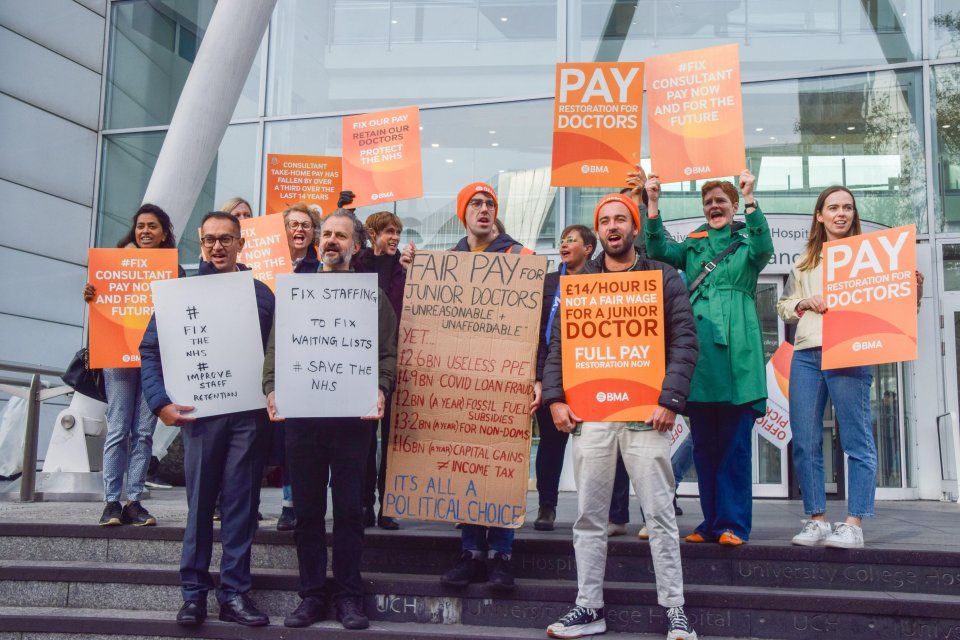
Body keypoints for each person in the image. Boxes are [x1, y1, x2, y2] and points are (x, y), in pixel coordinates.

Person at [541, 193, 699, 640]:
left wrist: (670, 400)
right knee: (589, 517)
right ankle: (588, 607)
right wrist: (556, 398)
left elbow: (686, 342)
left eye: (620, 220)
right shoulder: (578, 283)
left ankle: (675, 610)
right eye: (604, 221)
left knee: (660, 516)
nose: (612, 227)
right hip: (592, 418)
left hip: (646, 417)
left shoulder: (663, 277)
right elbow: (560, 348)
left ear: (633, 229)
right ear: (599, 233)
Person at [263, 210, 397, 630]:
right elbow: (275, 349)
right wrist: (271, 388)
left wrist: (381, 388)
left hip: (353, 422)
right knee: (305, 511)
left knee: (350, 513)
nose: (332, 241)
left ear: (357, 246)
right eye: (328, 235)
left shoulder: (372, 298)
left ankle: (349, 597)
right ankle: (311, 595)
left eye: (341, 236)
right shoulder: (296, 293)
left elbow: (388, 355)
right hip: (303, 419)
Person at [140, 211, 275, 627]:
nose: (218, 246)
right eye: (211, 240)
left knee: (240, 506)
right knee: (199, 507)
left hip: (248, 418)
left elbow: (279, 352)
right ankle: (193, 594)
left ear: (241, 243)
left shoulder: (262, 295)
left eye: (227, 239)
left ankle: (234, 594)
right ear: (201, 243)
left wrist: (275, 393)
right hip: (200, 417)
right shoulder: (180, 295)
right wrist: (160, 401)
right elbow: (150, 350)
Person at [402, 182, 537, 589]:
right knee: (465, 465)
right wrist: (412, 274)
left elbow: (537, 328)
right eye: (476, 203)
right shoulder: (446, 262)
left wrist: (539, 378)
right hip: (462, 381)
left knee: (501, 467)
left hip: (506, 381)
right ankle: (470, 551)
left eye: (490, 203)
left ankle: (501, 555)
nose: (484, 209)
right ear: (463, 213)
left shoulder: (522, 257)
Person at [776, 186, 923, 549]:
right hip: (807, 353)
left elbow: (901, 311)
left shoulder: (871, 257)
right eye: (833, 207)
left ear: (852, 215)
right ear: (819, 215)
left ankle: (854, 522)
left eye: (847, 208)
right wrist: (802, 304)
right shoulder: (803, 262)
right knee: (806, 441)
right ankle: (817, 520)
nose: (841, 213)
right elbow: (783, 306)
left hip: (850, 352)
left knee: (856, 440)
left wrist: (913, 292)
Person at [644, 169, 772, 547]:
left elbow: (764, 249)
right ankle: (710, 523)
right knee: (704, 448)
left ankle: (733, 525)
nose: (714, 206)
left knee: (734, 448)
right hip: (702, 362)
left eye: (722, 201)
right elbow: (658, 252)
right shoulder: (695, 243)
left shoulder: (749, 239)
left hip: (738, 358)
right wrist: (652, 204)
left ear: (733, 206)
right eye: (709, 202)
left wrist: (752, 200)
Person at [83, 204, 180, 528]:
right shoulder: (113, 266)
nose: (145, 231)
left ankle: (134, 501)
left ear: (164, 232)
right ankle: (111, 502)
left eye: (153, 226)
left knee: (143, 433)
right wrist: (93, 296)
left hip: (154, 361)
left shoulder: (174, 271)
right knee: (117, 429)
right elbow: (104, 307)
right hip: (118, 358)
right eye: (140, 226)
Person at [533, 224, 597, 531]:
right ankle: (547, 505)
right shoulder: (547, 283)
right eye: (561, 240)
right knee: (551, 443)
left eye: (571, 240)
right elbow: (534, 332)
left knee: (598, 446)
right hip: (552, 372)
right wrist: (538, 377)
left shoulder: (600, 280)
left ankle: (607, 511)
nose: (563, 244)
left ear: (588, 248)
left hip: (590, 372)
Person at [353, 211, 406, 530]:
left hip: (393, 359)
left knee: (391, 440)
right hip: (359, 361)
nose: (395, 237)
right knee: (363, 439)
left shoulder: (404, 267)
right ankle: (363, 503)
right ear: (372, 234)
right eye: (388, 231)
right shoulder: (357, 266)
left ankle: (389, 503)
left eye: (398, 231)